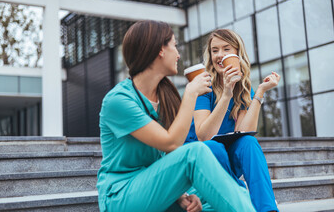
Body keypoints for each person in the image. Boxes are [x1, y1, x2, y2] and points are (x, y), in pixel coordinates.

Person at [97, 21, 256, 212]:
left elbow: (165, 157)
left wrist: (182, 195)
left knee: (223, 197)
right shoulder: (118, 101)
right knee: (196, 153)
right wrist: (191, 93)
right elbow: (171, 143)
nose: (178, 54)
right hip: (121, 195)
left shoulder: (164, 96)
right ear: (160, 51)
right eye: (174, 45)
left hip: (156, 186)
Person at [185, 29, 280, 212]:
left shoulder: (243, 87)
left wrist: (259, 92)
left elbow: (244, 131)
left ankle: (267, 209)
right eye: (215, 50)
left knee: (249, 143)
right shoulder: (203, 85)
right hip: (202, 160)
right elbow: (205, 136)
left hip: (226, 161)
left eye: (226, 49)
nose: (220, 55)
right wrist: (226, 94)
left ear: (237, 53)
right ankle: (238, 197)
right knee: (214, 146)